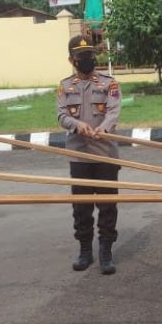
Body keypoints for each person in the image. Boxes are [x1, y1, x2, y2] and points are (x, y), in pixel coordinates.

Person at [56, 34, 122, 274]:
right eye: (82, 57)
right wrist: (76, 124)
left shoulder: (109, 83)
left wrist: (104, 127)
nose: (87, 60)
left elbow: (114, 111)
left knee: (107, 205)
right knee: (81, 206)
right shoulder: (65, 86)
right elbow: (62, 115)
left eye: (90, 55)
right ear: (72, 60)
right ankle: (85, 250)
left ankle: (106, 251)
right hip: (79, 155)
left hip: (105, 153)